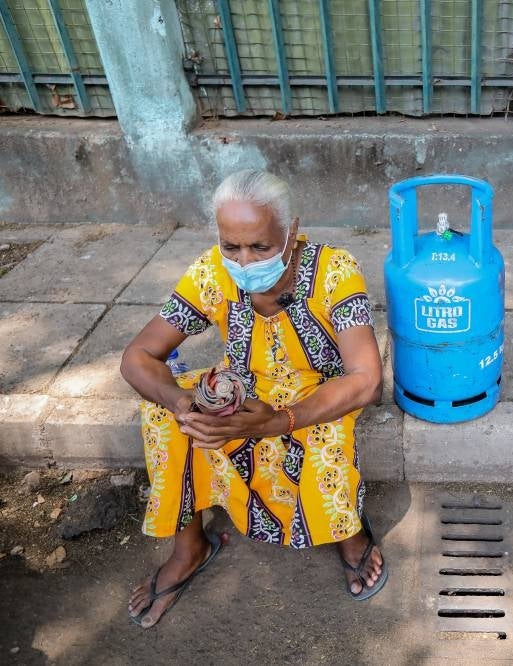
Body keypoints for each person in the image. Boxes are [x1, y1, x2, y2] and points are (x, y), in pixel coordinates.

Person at [120, 170, 387, 628]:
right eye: (232, 247)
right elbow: (138, 357)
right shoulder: (212, 273)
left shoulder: (334, 271)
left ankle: (348, 533)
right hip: (244, 391)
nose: (243, 261)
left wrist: (280, 420)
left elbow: (365, 379)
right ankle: (190, 548)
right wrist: (183, 404)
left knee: (323, 435)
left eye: (260, 247)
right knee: (162, 414)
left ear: (291, 231)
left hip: (315, 395)